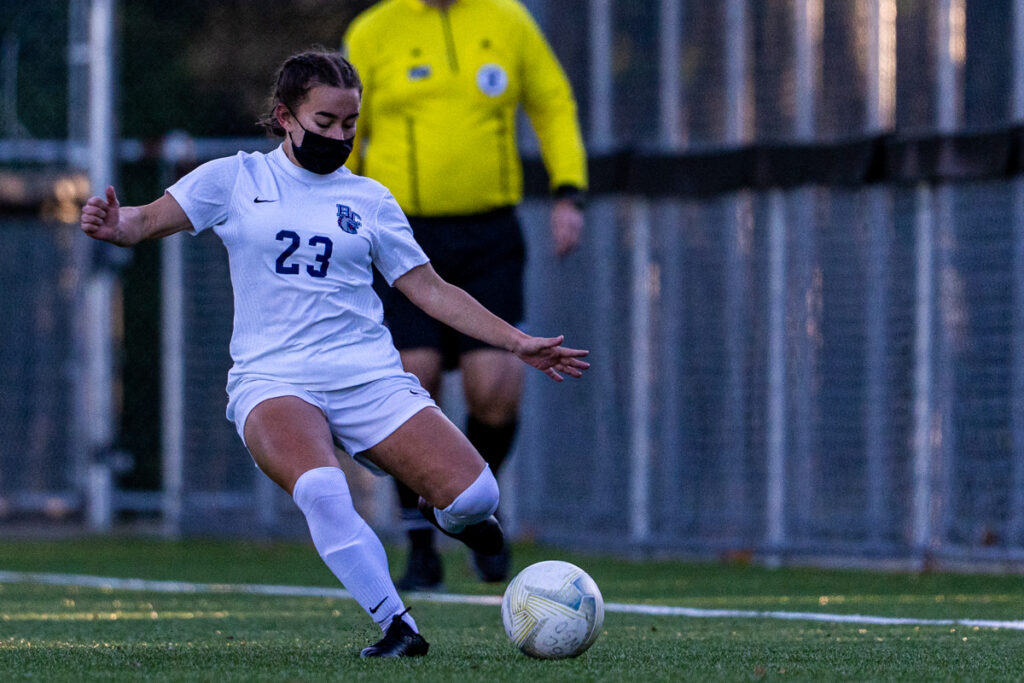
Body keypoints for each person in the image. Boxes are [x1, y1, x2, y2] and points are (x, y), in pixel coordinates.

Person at [79, 50, 589, 659]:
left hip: (368, 377)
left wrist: (516, 342)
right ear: (285, 117)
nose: (339, 136)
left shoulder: (369, 198)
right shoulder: (236, 178)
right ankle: (399, 626)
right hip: (274, 382)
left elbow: (429, 290)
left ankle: (444, 510)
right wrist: (115, 223)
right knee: (322, 489)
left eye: (350, 124)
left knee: (477, 498)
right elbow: (143, 221)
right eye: (325, 123)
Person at [343, 0, 587, 590]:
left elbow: (552, 103)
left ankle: (469, 505)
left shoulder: (508, 21)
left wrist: (569, 191)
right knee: (412, 377)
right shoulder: (373, 31)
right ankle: (420, 540)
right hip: (401, 232)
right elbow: (347, 132)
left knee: (496, 389)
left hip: (489, 234)